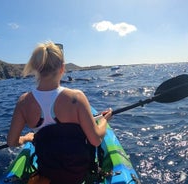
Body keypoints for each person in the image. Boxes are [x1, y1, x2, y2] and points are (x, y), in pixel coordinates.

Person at [7, 41, 112, 184]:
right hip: (78, 175)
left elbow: (12, 142)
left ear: (36, 70)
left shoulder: (23, 102)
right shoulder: (76, 97)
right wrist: (104, 121)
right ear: (62, 68)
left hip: (48, 175)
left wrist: (25, 138)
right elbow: (95, 140)